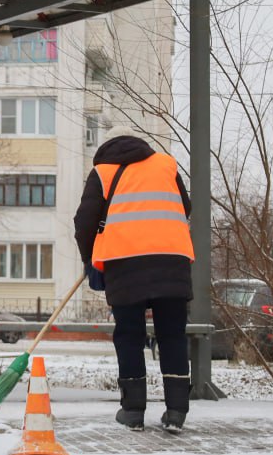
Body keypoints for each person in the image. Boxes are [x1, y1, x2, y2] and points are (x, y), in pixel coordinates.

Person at [73, 127, 195, 433]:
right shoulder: (166, 164)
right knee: (172, 335)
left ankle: (133, 411)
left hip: (125, 263)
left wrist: (90, 260)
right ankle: (176, 411)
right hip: (173, 260)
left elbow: (84, 222)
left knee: (129, 335)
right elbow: (186, 207)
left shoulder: (103, 172)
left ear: (107, 146)